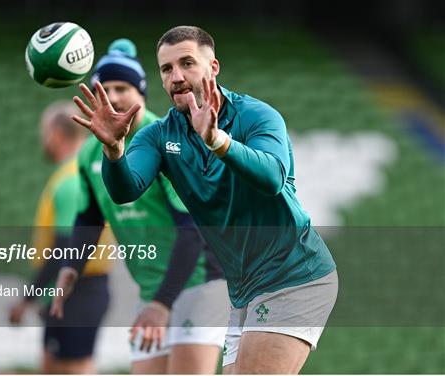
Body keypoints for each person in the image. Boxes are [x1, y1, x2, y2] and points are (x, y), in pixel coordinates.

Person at [71, 26, 338, 374]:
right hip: (243, 291)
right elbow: (125, 191)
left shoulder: (257, 116)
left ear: (213, 68)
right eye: (167, 69)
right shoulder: (158, 135)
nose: (177, 76)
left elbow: (272, 178)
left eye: (187, 63)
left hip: (294, 276)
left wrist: (218, 140)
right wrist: (113, 150)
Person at [50, 39, 228, 374]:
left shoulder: (169, 139)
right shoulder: (91, 151)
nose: (114, 98)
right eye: (104, 89)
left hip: (198, 282)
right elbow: (89, 216)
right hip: (151, 290)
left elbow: (192, 232)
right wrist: (70, 267)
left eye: (122, 87)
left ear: (142, 93)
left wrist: (163, 304)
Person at [8, 101, 113, 374]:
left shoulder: (72, 178)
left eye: (44, 132)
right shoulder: (82, 172)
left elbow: (66, 249)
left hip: (77, 291)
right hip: (77, 289)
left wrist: (27, 298)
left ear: (56, 133)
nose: (43, 139)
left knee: (73, 369)